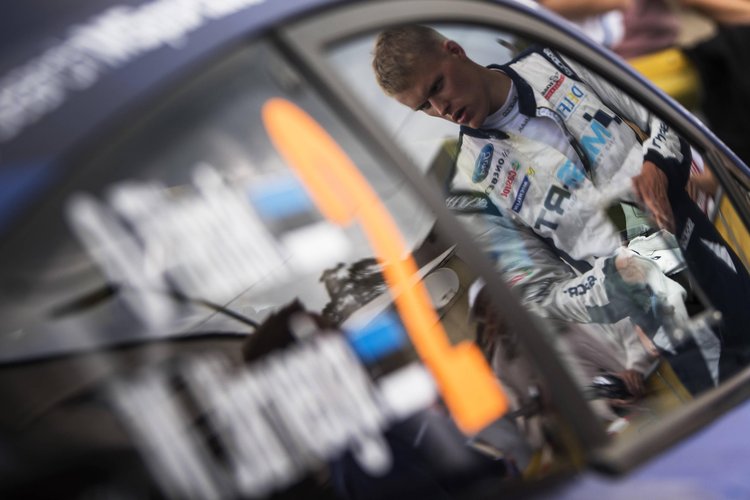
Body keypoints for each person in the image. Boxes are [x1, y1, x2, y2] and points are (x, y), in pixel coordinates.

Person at [371, 24, 750, 383]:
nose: (441, 109)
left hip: (702, 246)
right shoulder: (469, 185)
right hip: (657, 309)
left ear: (454, 51)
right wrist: (613, 284)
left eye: (438, 86)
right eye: (423, 106)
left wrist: (658, 166)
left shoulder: (557, 61)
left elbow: (664, 115)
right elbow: (538, 292)